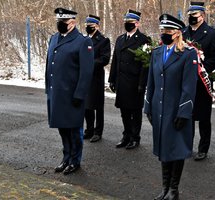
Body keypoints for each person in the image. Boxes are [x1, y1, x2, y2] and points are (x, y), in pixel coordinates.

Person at [144, 14, 198, 200]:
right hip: (160, 110)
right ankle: (165, 188)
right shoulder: (157, 53)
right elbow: (150, 82)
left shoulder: (188, 54)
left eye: (167, 31)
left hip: (177, 110)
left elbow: (189, 87)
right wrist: (148, 107)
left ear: (177, 33)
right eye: (162, 31)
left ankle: (174, 190)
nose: (163, 34)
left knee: (176, 148)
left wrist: (184, 111)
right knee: (164, 148)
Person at [45, 7, 94, 175]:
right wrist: (48, 89)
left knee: (74, 131)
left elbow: (86, 72)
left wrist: (79, 94)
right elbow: (49, 66)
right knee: (62, 129)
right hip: (57, 94)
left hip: (72, 96)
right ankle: (66, 158)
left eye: (63, 22)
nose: (60, 25)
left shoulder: (82, 42)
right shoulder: (54, 39)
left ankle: (75, 160)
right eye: (58, 22)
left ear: (72, 23)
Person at [183, 1, 215, 161]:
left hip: (202, 81)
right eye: (190, 15)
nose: (192, 18)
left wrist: (202, 68)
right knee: (187, 115)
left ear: (203, 16)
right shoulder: (183, 32)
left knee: (204, 117)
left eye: (195, 15)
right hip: (186, 82)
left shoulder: (212, 33)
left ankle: (203, 149)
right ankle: (187, 147)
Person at [108, 9, 151, 149]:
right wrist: (112, 79)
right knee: (124, 111)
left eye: (130, 22)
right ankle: (126, 135)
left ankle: (135, 137)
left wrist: (142, 84)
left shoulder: (144, 40)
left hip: (135, 82)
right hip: (121, 81)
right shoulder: (120, 39)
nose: (127, 24)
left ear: (137, 23)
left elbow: (146, 65)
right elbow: (115, 60)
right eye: (126, 22)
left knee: (135, 112)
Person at [83, 14, 111, 143]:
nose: (88, 28)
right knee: (86, 105)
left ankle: (98, 132)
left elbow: (104, 59)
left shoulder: (103, 40)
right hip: (84, 77)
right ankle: (89, 129)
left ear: (97, 26)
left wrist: (89, 63)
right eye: (87, 26)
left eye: (91, 26)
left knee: (98, 106)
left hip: (96, 77)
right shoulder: (83, 39)